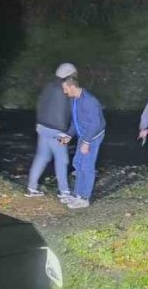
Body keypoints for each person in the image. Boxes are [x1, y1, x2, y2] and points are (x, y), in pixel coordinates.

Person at [25, 63, 76, 201]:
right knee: (62, 160)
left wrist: (39, 122)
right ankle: (64, 191)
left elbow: (40, 104)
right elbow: (67, 111)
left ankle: (31, 187)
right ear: (69, 75)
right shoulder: (66, 89)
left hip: (42, 127)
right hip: (57, 130)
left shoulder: (48, 86)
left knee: (42, 156)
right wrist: (65, 130)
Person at [60, 74, 105, 210]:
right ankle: (77, 194)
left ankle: (84, 198)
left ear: (72, 86)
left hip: (93, 136)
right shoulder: (74, 99)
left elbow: (96, 124)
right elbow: (75, 121)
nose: (64, 91)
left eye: (65, 88)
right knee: (78, 163)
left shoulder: (89, 101)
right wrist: (69, 135)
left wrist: (86, 142)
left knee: (86, 165)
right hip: (84, 135)